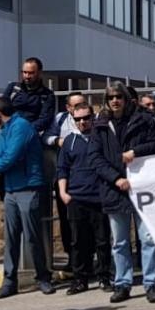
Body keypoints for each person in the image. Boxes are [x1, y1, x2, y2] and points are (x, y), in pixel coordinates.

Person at [89, 82, 155, 304]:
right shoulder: (100, 126)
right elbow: (95, 158)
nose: (115, 100)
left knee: (148, 238)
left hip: (142, 188)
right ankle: (122, 284)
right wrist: (116, 179)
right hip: (115, 190)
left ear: (126, 99)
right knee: (120, 242)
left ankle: (151, 283)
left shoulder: (144, 121)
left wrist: (136, 152)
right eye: (111, 97)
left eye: (119, 97)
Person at [0, 98, 54, 298]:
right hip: (11, 189)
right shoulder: (6, 129)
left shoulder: (21, 127)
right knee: (11, 237)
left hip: (28, 187)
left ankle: (43, 277)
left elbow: (11, 156)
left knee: (32, 236)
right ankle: (10, 281)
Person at [57, 102, 113, 294]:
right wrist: (64, 193)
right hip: (76, 198)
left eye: (86, 118)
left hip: (100, 198)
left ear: (93, 118)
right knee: (78, 242)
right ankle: (80, 280)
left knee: (103, 240)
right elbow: (62, 169)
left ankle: (105, 277)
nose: (82, 122)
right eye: (78, 119)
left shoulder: (102, 139)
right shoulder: (70, 142)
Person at [44, 91, 89, 266]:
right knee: (67, 220)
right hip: (66, 178)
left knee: (90, 219)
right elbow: (45, 137)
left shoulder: (92, 119)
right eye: (76, 105)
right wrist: (58, 141)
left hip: (87, 178)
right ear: (68, 107)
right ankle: (73, 258)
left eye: (83, 104)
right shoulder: (60, 119)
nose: (80, 109)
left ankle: (91, 259)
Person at [0, 57, 57, 135]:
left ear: (39, 73)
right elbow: (1, 108)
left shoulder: (47, 95)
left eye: (31, 73)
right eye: (24, 72)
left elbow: (45, 119)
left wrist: (24, 129)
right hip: (8, 132)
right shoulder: (13, 88)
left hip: (30, 135)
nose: (27, 76)